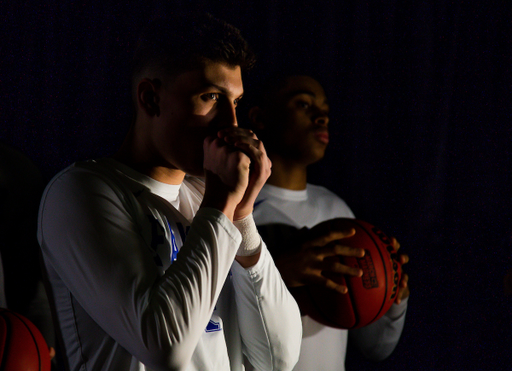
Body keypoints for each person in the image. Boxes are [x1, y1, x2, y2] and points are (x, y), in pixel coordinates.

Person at [37, 14, 302, 371]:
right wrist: (222, 205)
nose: (231, 123)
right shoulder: (81, 192)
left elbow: (278, 358)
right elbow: (166, 350)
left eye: (235, 102)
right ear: (150, 98)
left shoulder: (209, 201)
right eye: (210, 96)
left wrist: (243, 220)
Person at [247, 73, 410, 371]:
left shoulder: (339, 211)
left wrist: (392, 296)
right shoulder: (234, 208)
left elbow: (375, 348)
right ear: (260, 117)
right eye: (304, 105)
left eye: (325, 110)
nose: (321, 117)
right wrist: (277, 274)